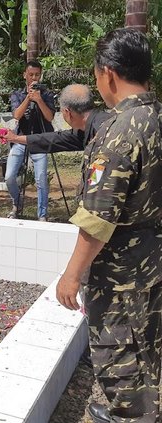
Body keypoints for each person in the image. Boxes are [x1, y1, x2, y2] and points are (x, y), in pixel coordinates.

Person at [56, 28, 162, 423]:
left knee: (119, 353)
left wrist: (71, 276)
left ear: (108, 74)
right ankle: (136, 410)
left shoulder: (119, 132)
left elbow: (99, 218)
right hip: (153, 262)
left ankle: (130, 416)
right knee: (147, 345)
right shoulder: (156, 117)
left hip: (122, 274)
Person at [5, 60, 56, 221]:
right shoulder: (17, 94)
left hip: (39, 141)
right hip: (20, 140)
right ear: (25, 75)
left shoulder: (47, 94)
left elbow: (50, 117)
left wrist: (39, 99)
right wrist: (28, 98)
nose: (34, 78)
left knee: (41, 179)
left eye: (37, 75)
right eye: (31, 75)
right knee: (9, 177)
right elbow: (17, 115)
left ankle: (42, 215)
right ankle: (17, 203)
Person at [5, 84, 110, 155]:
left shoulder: (106, 133)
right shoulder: (86, 130)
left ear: (67, 112)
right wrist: (16, 138)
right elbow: (53, 139)